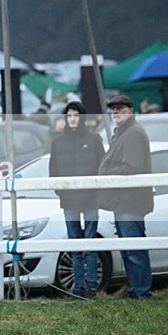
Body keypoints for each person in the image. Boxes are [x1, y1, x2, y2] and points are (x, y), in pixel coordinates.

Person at [98, 95, 154, 299]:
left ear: (130, 110)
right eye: (113, 109)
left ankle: (141, 291)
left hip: (131, 200)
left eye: (120, 109)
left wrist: (106, 171)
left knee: (134, 249)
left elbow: (132, 167)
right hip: (124, 200)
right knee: (128, 247)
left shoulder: (133, 133)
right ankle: (135, 288)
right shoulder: (123, 132)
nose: (116, 113)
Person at [49, 101, 105, 299]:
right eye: (70, 115)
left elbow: (102, 167)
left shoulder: (94, 139)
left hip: (90, 199)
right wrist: (61, 192)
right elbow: (53, 170)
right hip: (69, 201)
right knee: (74, 243)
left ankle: (91, 286)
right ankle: (78, 286)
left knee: (90, 243)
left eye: (76, 115)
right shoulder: (57, 141)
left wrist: (96, 193)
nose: (73, 119)